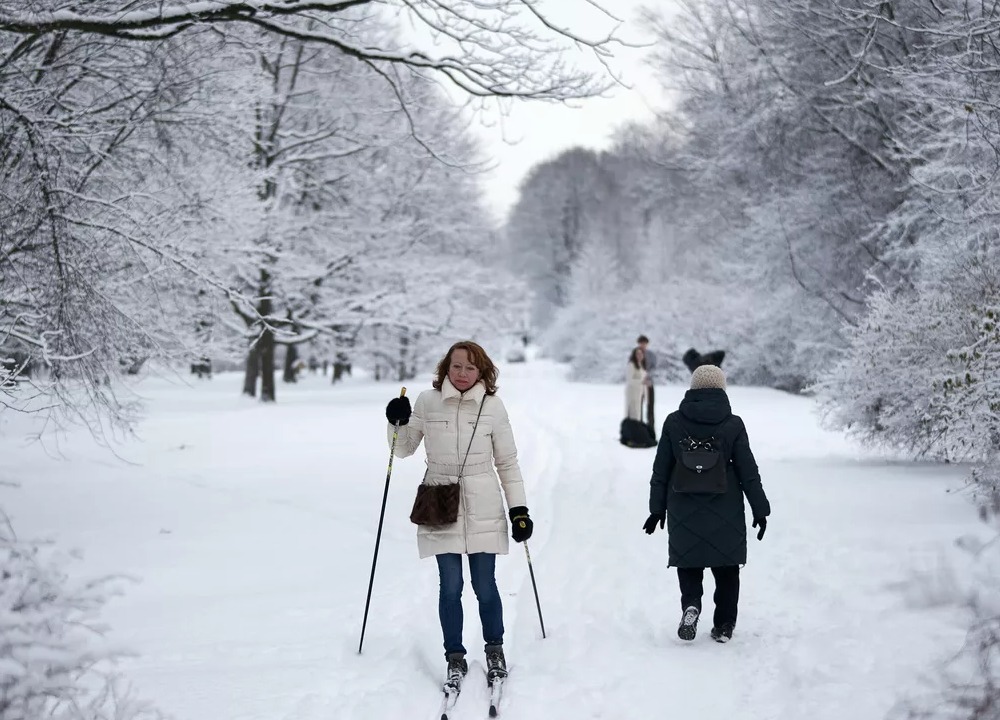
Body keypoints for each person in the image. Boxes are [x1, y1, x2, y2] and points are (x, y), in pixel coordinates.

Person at [384, 340, 533, 689]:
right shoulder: (426, 401)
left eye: (470, 367)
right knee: (450, 587)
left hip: (483, 500)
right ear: (445, 368)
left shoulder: (493, 407)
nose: (462, 373)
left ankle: (494, 649)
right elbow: (402, 449)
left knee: (485, 585)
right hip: (440, 500)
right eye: (456, 366)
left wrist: (519, 510)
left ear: (482, 371)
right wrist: (395, 421)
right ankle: (455, 657)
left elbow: (507, 462)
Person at [642, 365, 770, 643]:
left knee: (689, 562)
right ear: (721, 389)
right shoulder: (733, 424)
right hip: (726, 506)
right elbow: (749, 471)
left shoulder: (673, 422)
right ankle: (723, 625)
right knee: (726, 568)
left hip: (682, 506)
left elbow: (661, 470)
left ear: (692, 388)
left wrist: (656, 510)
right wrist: (760, 509)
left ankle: (691, 605)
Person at [637, 335, 657, 427]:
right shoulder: (634, 355)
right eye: (641, 343)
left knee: (650, 407)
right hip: (638, 385)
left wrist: (647, 376)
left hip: (649, 383)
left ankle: (651, 427)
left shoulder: (651, 355)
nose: (643, 345)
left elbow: (654, 368)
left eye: (644, 343)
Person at [625, 345, 649, 422]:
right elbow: (630, 380)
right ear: (634, 355)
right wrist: (641, 381)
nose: (640, 355)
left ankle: (636, 431)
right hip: (632, 392)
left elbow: (643, 379)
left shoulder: (641, 365)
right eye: (637, 353)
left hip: (640, 392)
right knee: (633, 414)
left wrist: (645, 394)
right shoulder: (631, 365)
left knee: (638, 414)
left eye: (641, 354)